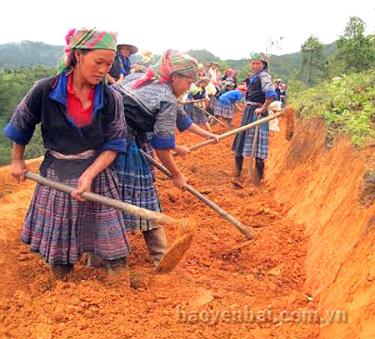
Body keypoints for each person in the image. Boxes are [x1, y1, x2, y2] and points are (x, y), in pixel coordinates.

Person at [3, 28, 130, 278]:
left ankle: (119, 285)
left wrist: (90, 174)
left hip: (97, 171)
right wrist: (17, 160)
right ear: (78, 56)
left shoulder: (111, 97)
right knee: (60, 242)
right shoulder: (45, 90)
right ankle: (63, 285)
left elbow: (115, 143)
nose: (104, 70)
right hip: (57, 173)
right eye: (98, 62)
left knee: (109, 236)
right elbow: (21, 125)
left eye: (109, 64)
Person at [113, 50, 218, 266]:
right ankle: (159, 256)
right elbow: (161, 147)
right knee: (143, 197)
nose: (189, 87)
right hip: (121, 146)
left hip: (104, 141)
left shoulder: (142, 80)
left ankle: (99, 255)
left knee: (108, 196)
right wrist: (176, 175)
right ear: (175, 77)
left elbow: (182, 120)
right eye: (188, 82)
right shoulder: (166, 98)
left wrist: (208, 135)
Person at [232, 52, 277, 186]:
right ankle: (237, 173)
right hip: (249, 112)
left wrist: (263, 108)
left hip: (257, 113)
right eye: (253, 63)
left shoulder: (264, 76)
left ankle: (257, 179)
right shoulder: (255, 77)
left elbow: (270, 94)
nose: (255, 65)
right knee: (241, 139)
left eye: (258, 63)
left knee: (257, 146)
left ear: (263, 64)